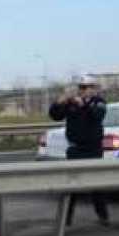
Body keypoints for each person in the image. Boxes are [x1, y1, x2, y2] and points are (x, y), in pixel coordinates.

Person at [49, 75, 110, 226]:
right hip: (75, 149)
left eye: (85, 87)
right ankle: (66, 219)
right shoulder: (72, 103)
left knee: (97, 186)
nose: (82, 90)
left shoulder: (99, 102)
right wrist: (59, 102)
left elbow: (97, 116)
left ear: (93, 89)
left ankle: (103, 216)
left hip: (93, 149)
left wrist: (83, 104)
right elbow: (55, 116)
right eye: (80, 87)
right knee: (71, 185)